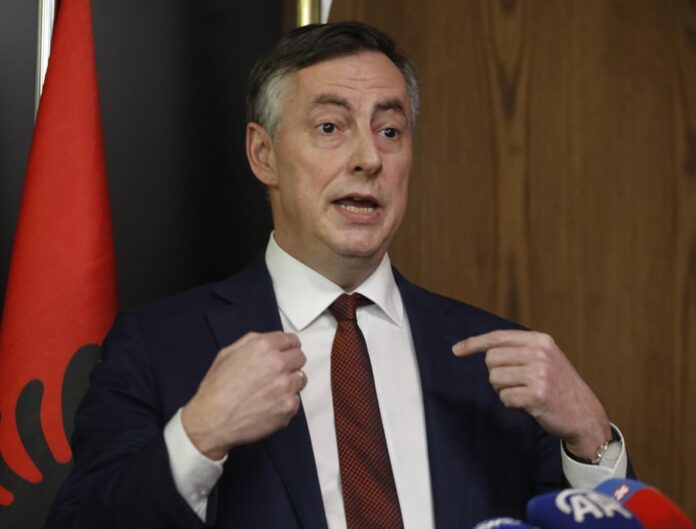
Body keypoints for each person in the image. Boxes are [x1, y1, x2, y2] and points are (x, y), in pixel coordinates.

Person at [46, 21, 629, 529]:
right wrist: (198, 437)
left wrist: (592, 441)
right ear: (264, 155)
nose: (369, 158)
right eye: (330, 127)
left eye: (390, 131)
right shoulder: (157, 349)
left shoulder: (495, 362)